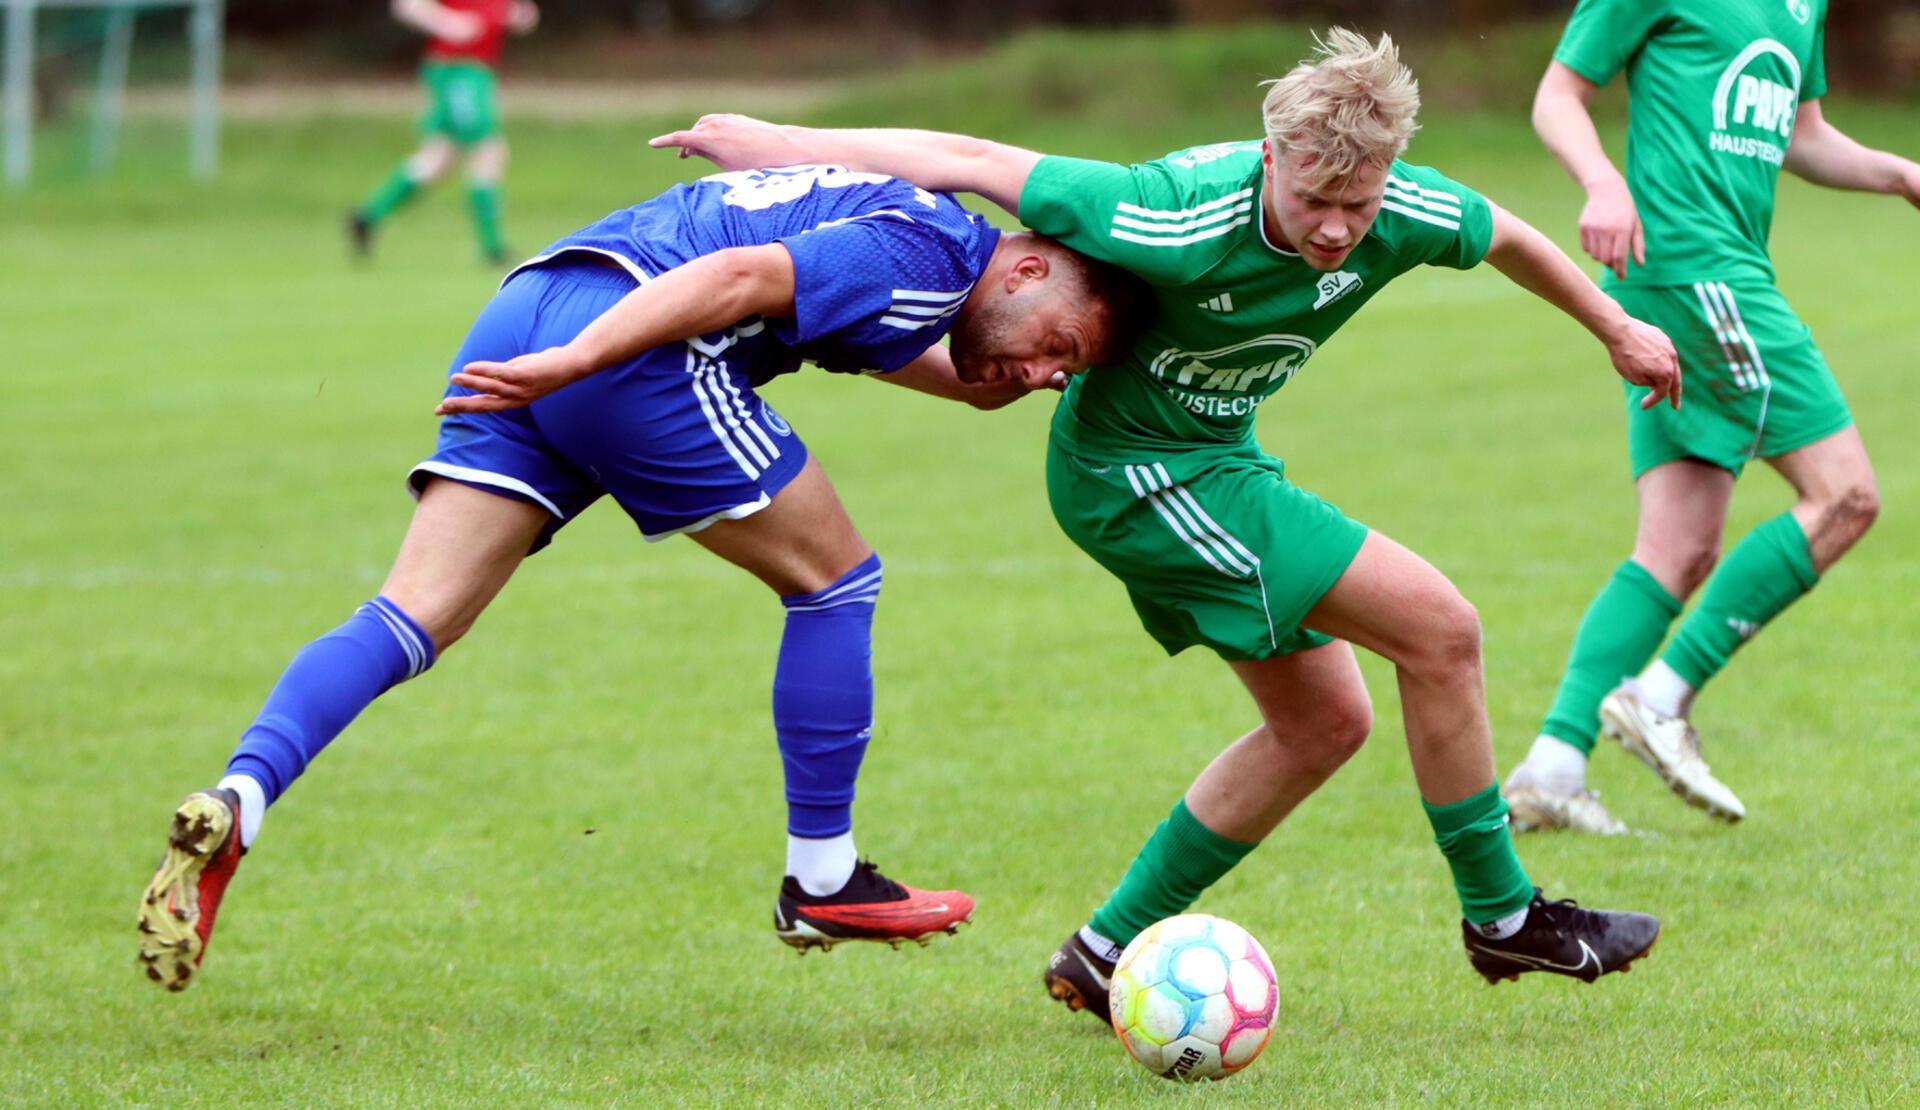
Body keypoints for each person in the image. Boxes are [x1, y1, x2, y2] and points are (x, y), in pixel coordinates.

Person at [645, 28, 1678, 1018]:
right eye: (1315, 198)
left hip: (1215, 460)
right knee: (1441, 630)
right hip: (1134, 474)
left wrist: (1616, 327)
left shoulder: (1402, 204)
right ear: (1274, 155)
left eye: (1355, 205)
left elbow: (1504, 233)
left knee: (1325, 725)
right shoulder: (1163, 211)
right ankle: (1503, 917)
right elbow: (966, 156)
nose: (1334, 228)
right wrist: (780, 144)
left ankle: (1100, 956)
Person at [137, 162, 1152, 992]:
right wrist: (578, 363)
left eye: (1058, 374)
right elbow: (734, 287)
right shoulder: (924, 255)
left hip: (536, 300)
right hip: (626, 340)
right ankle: (823, 878)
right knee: (836, 582)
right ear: (1022, 271)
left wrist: (994, 381)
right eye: (1053, 349)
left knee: (414, 616)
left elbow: (893, 340)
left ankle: (243, 796)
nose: (1041, 375)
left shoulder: (914, 240)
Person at [1500, 0, 1919, 834]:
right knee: (1846, 496)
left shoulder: (1805, 5)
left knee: (1677, 548)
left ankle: (1551, 768)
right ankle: (1658, 698)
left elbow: (1802, 136)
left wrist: (1901, 174)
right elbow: (1557, 95)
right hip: (1696, 271)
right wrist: (1603, 181)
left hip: (1695, 275)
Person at [347, 0, 540, 265]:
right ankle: (492, 248)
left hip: (473, 71)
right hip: (458, 70)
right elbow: (408, 6)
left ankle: (368, 217)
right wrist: (447, 23)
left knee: (437, 161)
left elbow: (512, 13)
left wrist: (516, 15)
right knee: (488, 150)